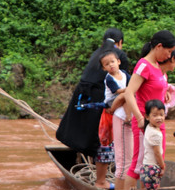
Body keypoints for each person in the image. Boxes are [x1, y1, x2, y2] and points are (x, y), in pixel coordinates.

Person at [56, 28, 131, 160]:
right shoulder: (118, 55)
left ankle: (81, 157)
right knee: (98, 133)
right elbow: (122, 83)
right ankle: (97, 162)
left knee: (82, 129)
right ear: (120, 42)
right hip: (99, 94)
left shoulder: (97, 52)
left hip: (82, 93)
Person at [122, 31, 175, 186]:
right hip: (144, 122)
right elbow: (129, 93)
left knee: (157, 163)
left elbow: (154, 87)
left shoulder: (157, 66)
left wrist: (165, 92)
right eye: (168, 51)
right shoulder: (143, 65)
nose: (169, 56)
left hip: (158, 122)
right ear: (159, 46)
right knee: (138, 165)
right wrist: (140, 119)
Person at [99, 49, 129, 189]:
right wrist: (131, 89)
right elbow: (118, 91)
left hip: (123, 99)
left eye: (112, 62)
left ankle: (128, 115)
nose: (111, 65)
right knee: (125, 96)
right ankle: (126, 115)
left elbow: (130, 83)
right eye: (107, 64)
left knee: (127, 98)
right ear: (104, 68)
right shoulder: (109, 78)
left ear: (118, 62)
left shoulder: (124, 74)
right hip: (112, 101)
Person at [139, 99, 167, 190]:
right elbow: (157, 153)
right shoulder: (155, 134)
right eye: (155, 115)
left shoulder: (149, 128)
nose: (159, 118)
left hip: (146, 166)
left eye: (161, 115)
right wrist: (162, 166)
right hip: (152, 168)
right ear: (147, 117)